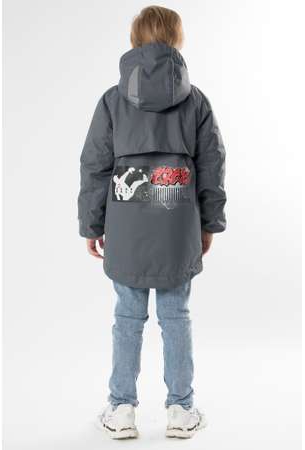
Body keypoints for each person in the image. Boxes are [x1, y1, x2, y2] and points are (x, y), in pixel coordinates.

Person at [78, 5, 226, 439]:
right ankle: (181, 410)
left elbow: (95, 165)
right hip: (177, 225)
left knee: (127, 315)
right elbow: (213, 164)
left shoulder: (112, 100)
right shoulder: (195, 101)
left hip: (127, 227)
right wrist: (209, 222)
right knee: (176, 315)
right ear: (177, 41)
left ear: (134, 41)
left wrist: (92, 225)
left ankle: (121, 408)